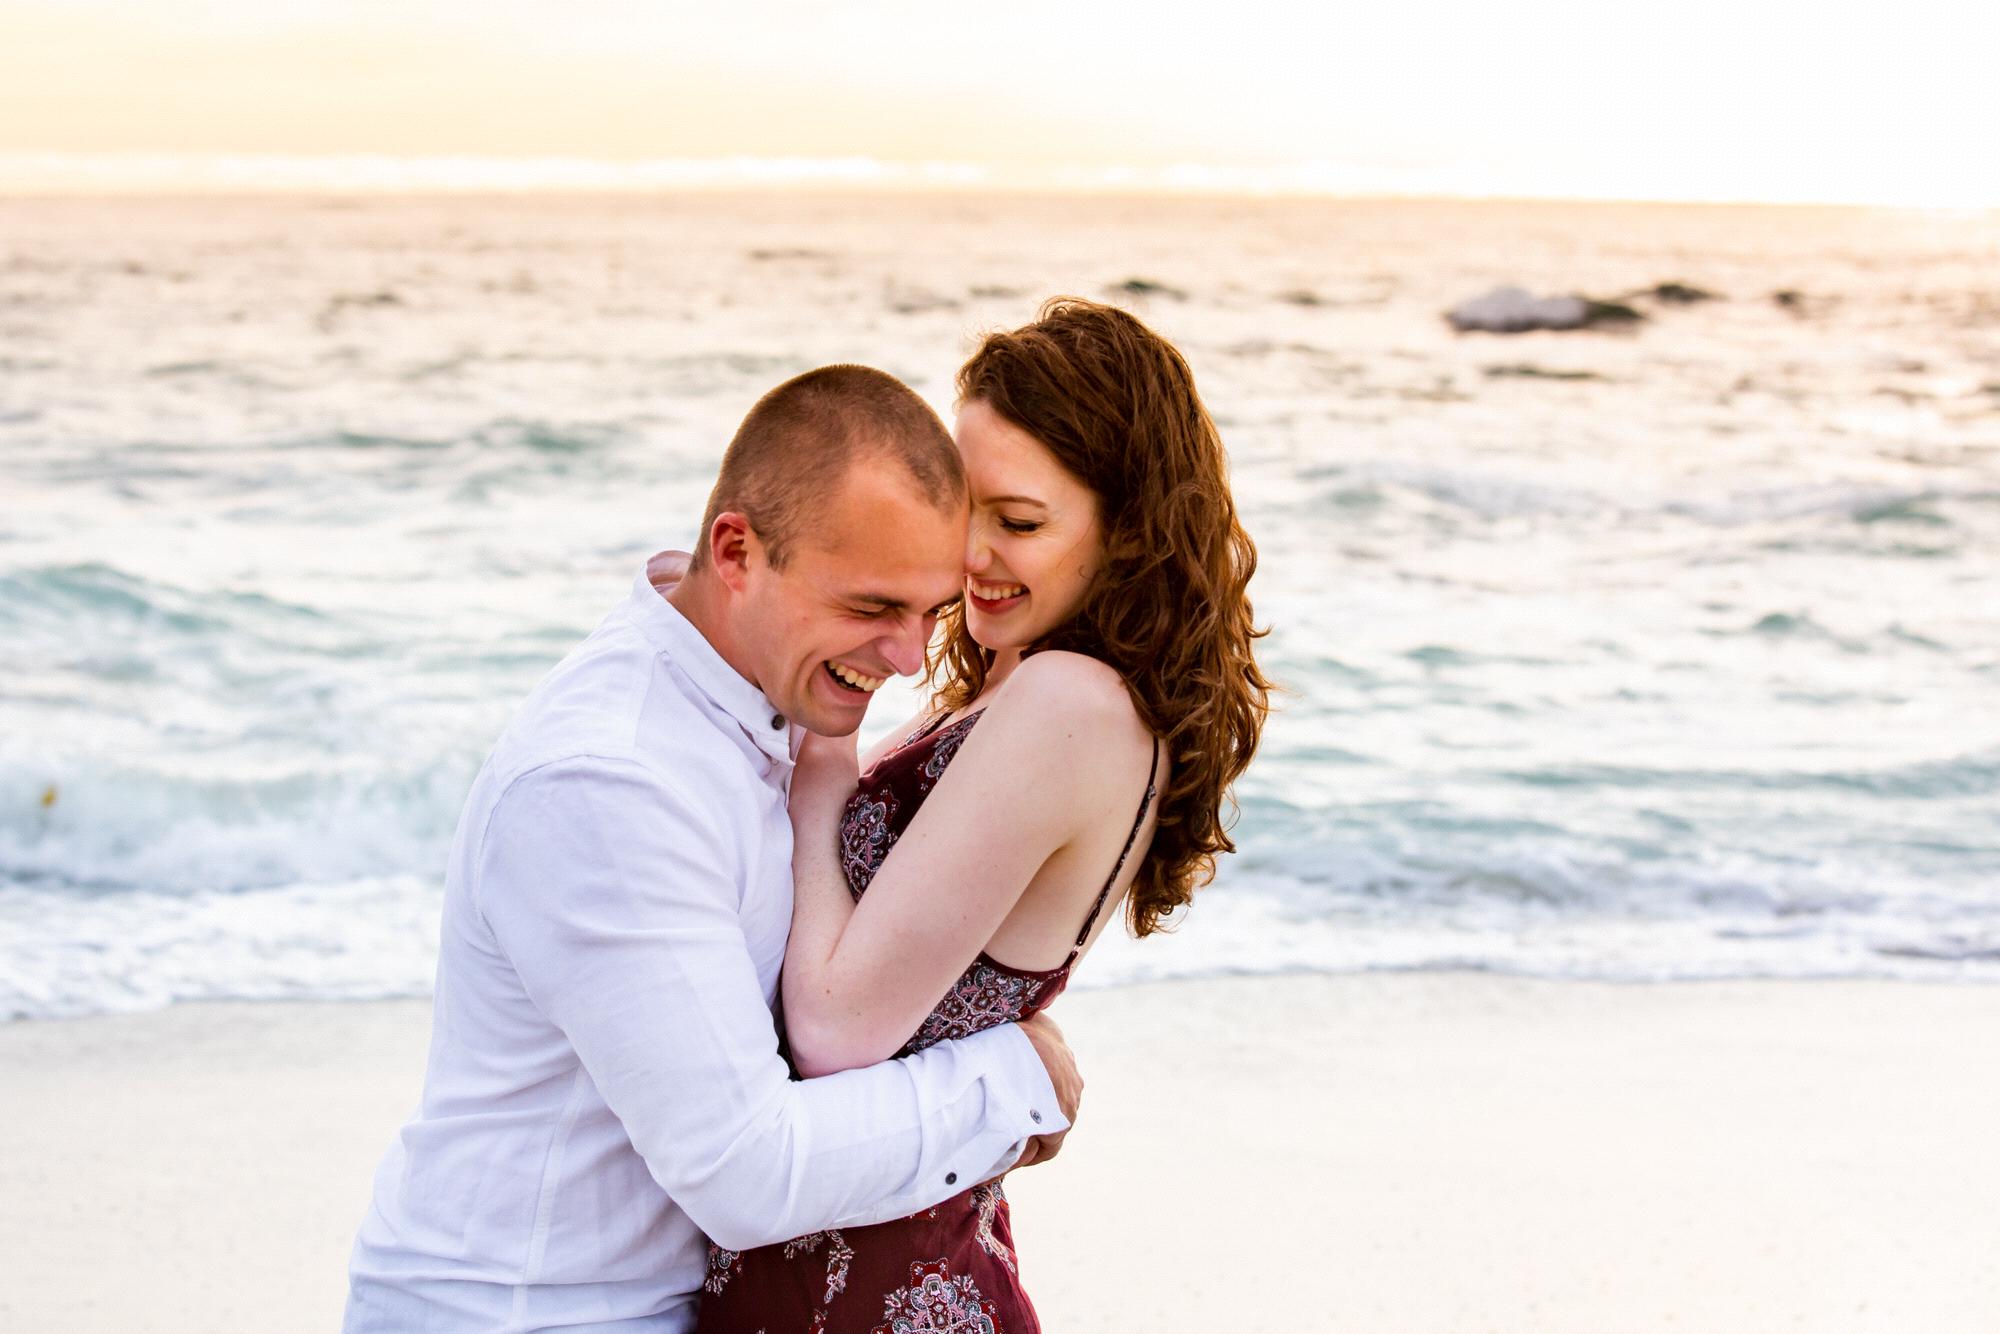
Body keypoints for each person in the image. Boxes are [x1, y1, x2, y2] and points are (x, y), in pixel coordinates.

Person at [344, 365, 1084, 1333]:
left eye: (929, 613)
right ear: (736, 552)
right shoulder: (611, 781)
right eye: (871, 607)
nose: (908, 657)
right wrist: (1011, 1081)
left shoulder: (765, 699)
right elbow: (745, 1169)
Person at [697, 299, 1270, 1332]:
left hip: (881, 1293)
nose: (973, 554)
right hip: (841, 1260)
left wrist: (823, 771)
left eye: (1021, 522)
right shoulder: (1007, 688)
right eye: (967, 510)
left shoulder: (1071, 703)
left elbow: (834, 1032)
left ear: (1129, 531)